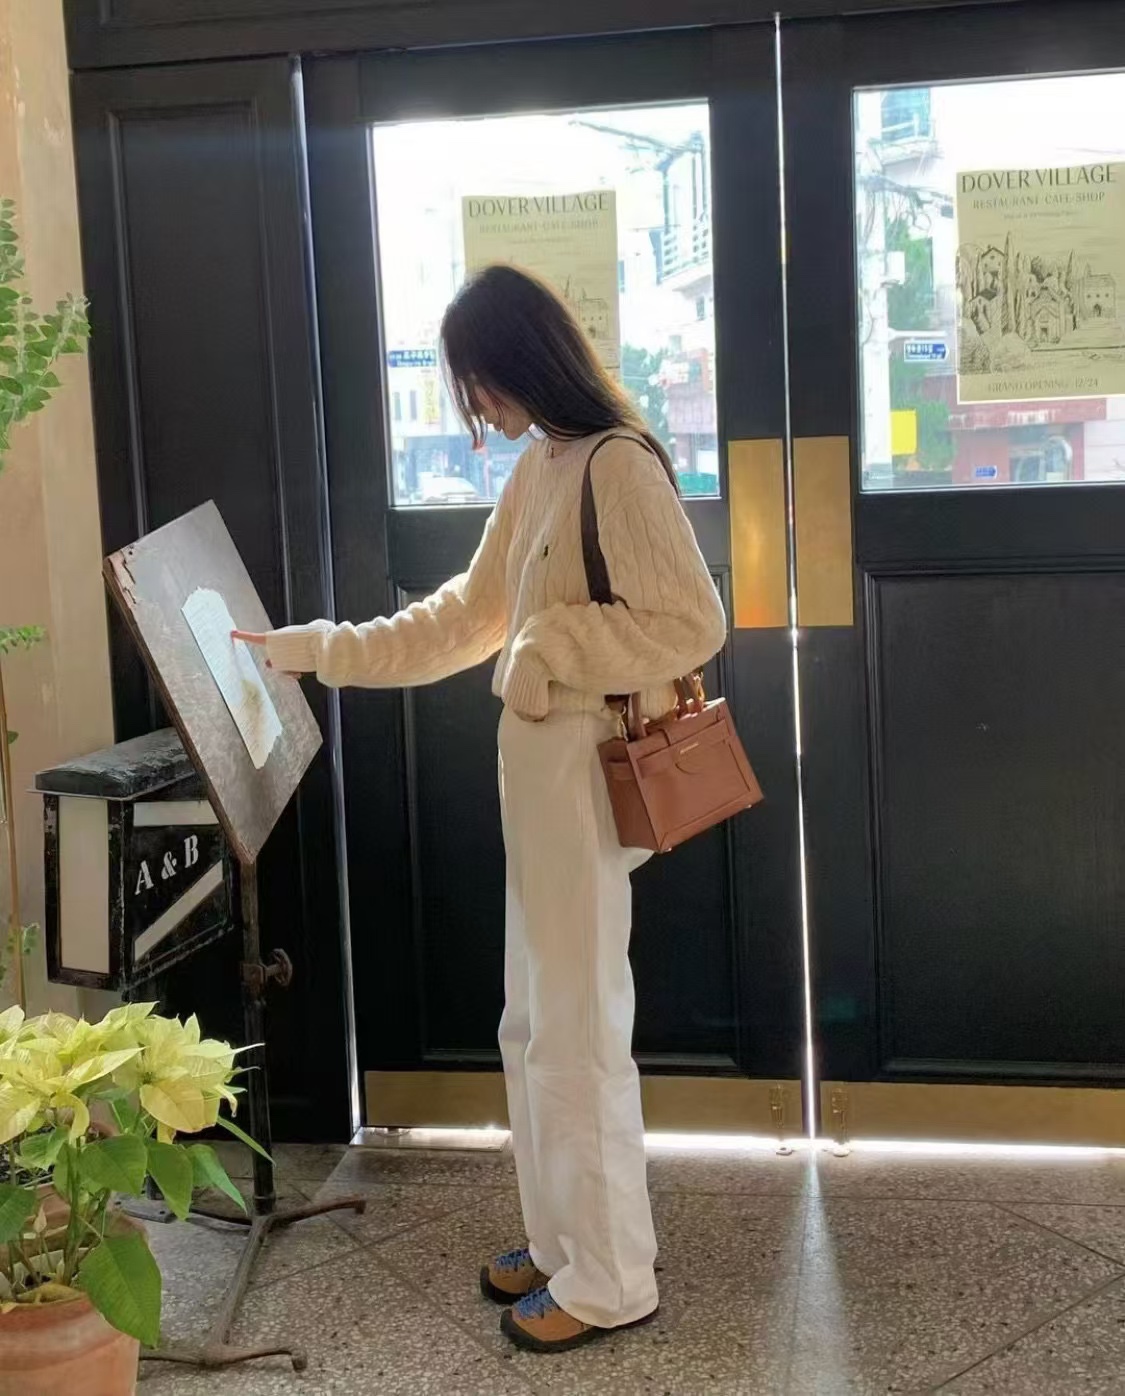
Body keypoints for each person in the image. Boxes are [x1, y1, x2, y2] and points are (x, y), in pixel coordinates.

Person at [234, 264, 727, 1354]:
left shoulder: (617, 461)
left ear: (519, 362)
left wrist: (550, 645)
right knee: (532, 1024)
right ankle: (562, 1245)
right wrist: (315, 651)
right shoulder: (544, 465)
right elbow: (465, 615)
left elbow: (692, 623)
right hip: (542, 783)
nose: (477, 410)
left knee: (578, 1030)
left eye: (478, 386)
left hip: (584, 775)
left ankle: (611, 1278)